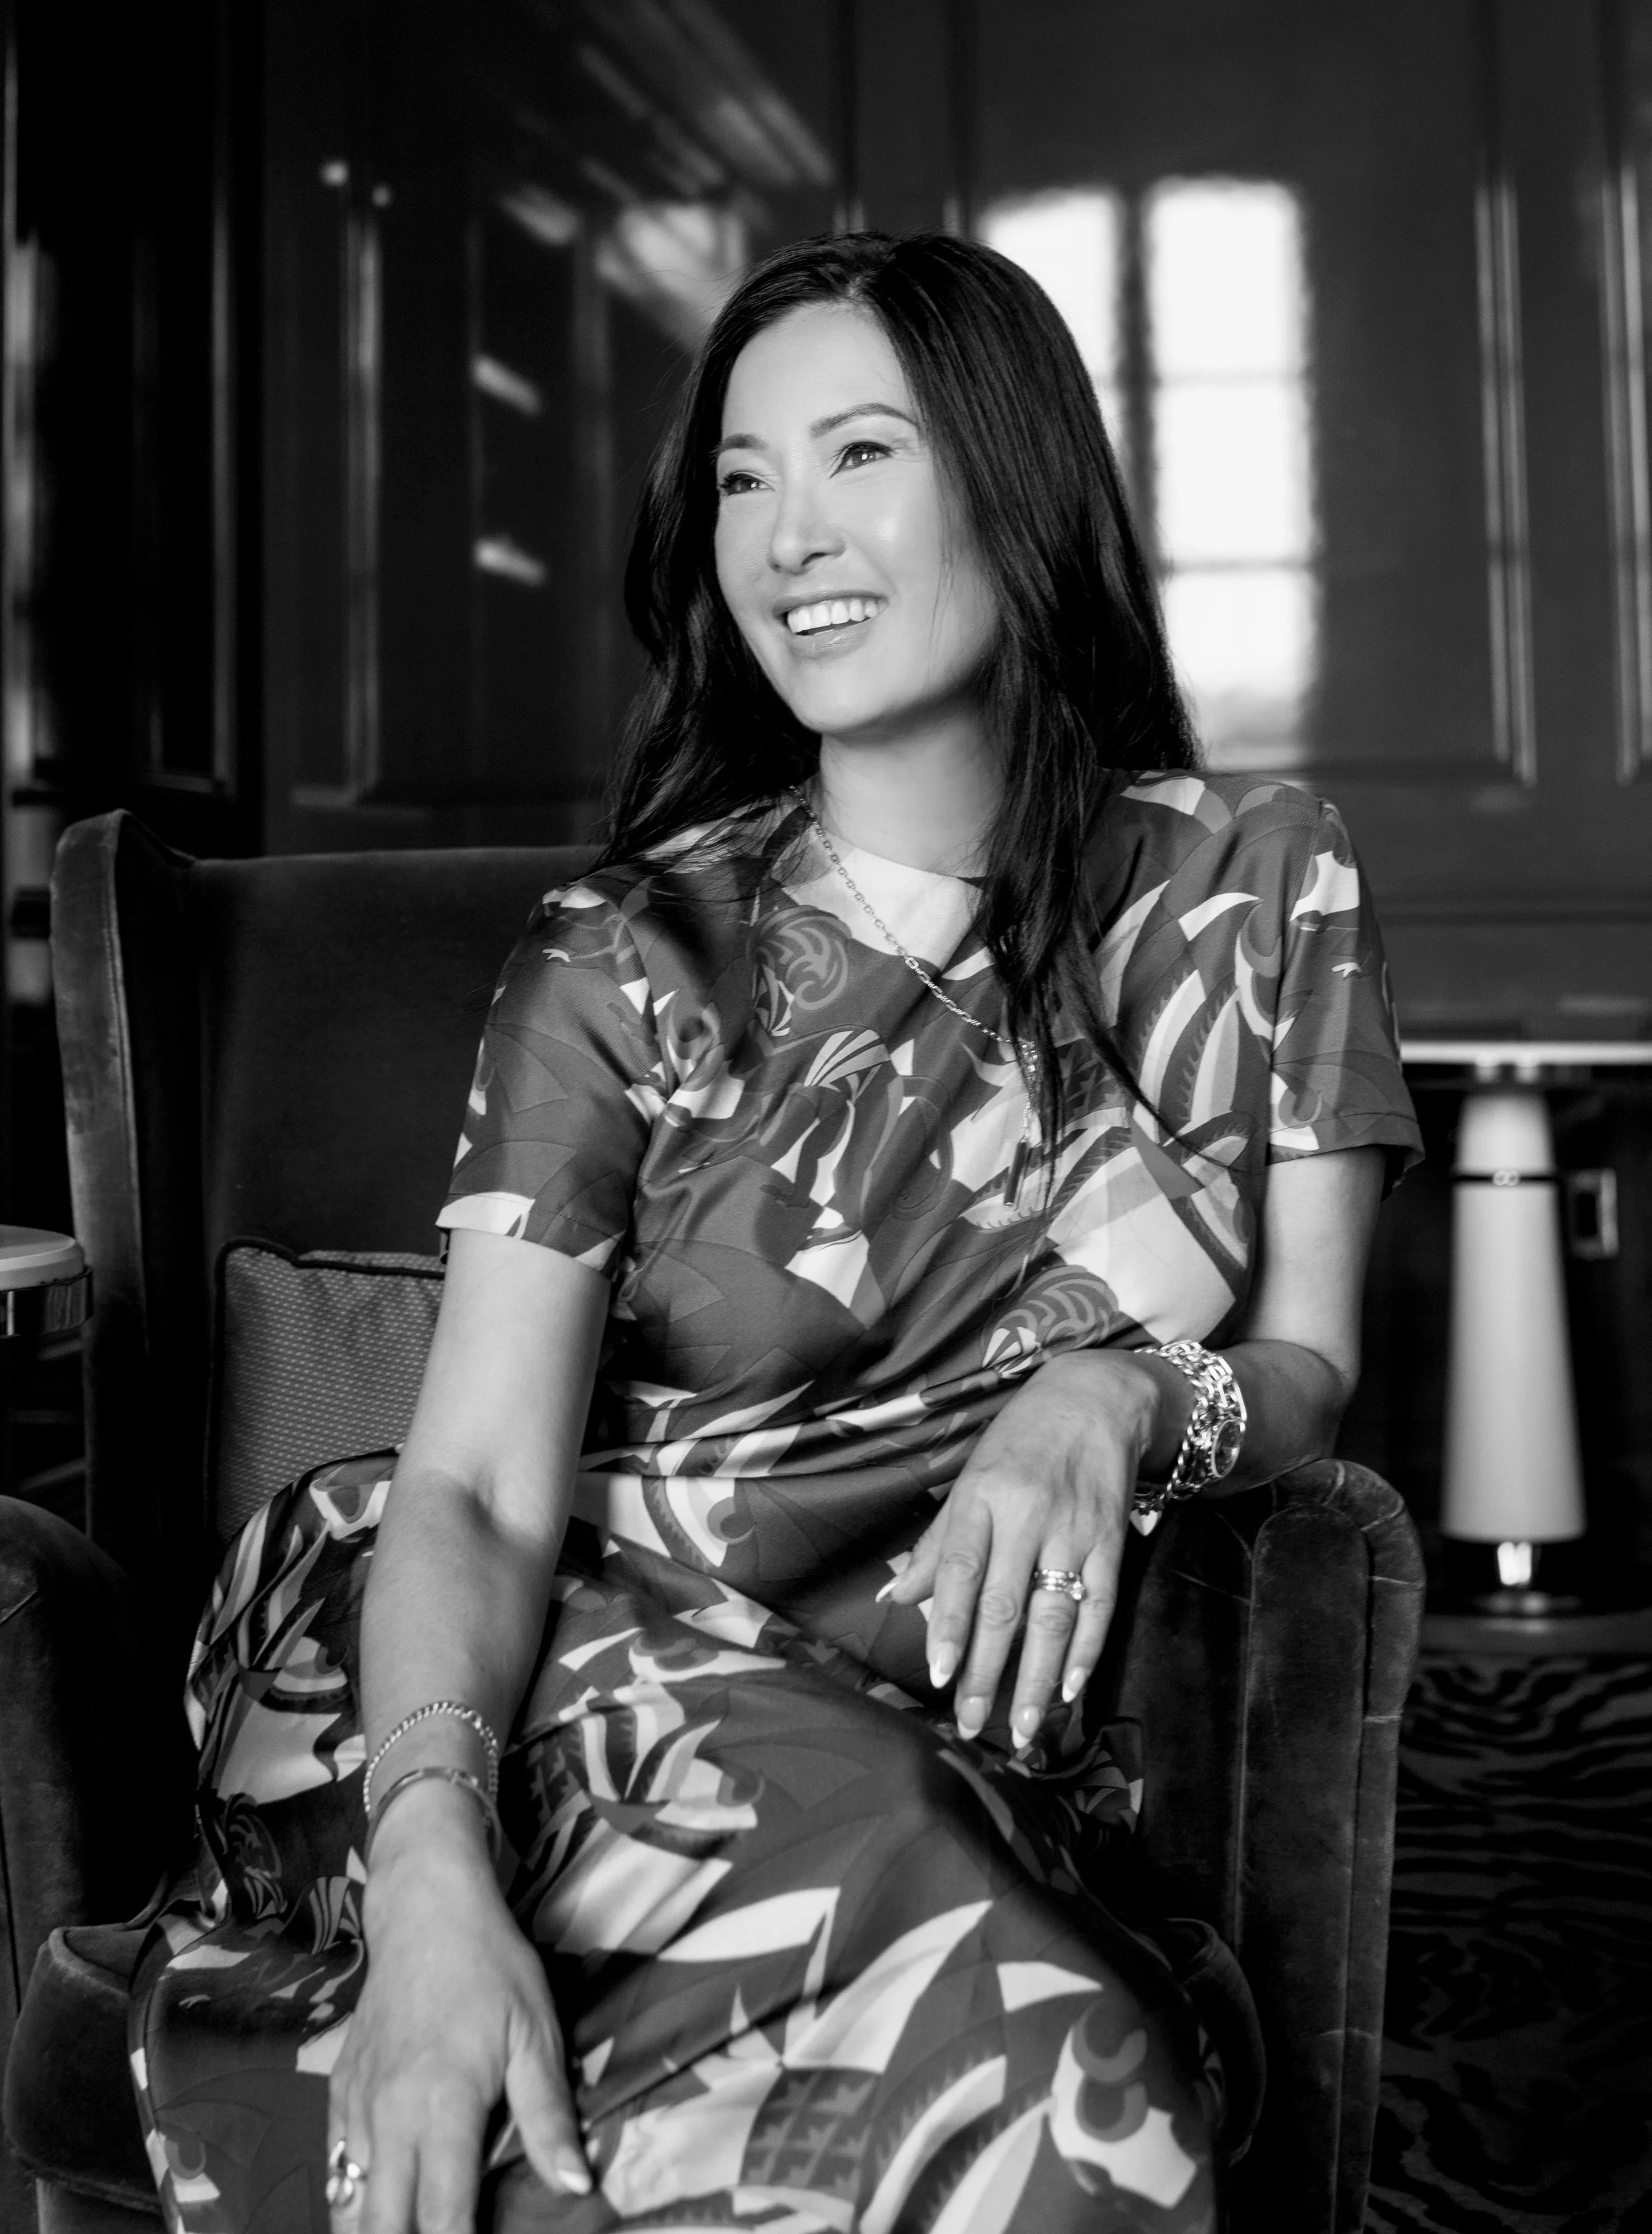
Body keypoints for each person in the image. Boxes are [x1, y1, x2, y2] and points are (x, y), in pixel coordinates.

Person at [129, 231, 1421, 2234]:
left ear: (1013, 477)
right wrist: (438, 1869)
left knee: (987, 2082)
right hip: (531, 1660)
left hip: (928, 1737)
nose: (788, 532)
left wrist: (1116, 1398)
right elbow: (467, 1486)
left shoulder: (1250, 888)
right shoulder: (628, 958)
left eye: (860, 453)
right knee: (1059, 2072)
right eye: (742, 475)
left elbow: (1309, 1372)